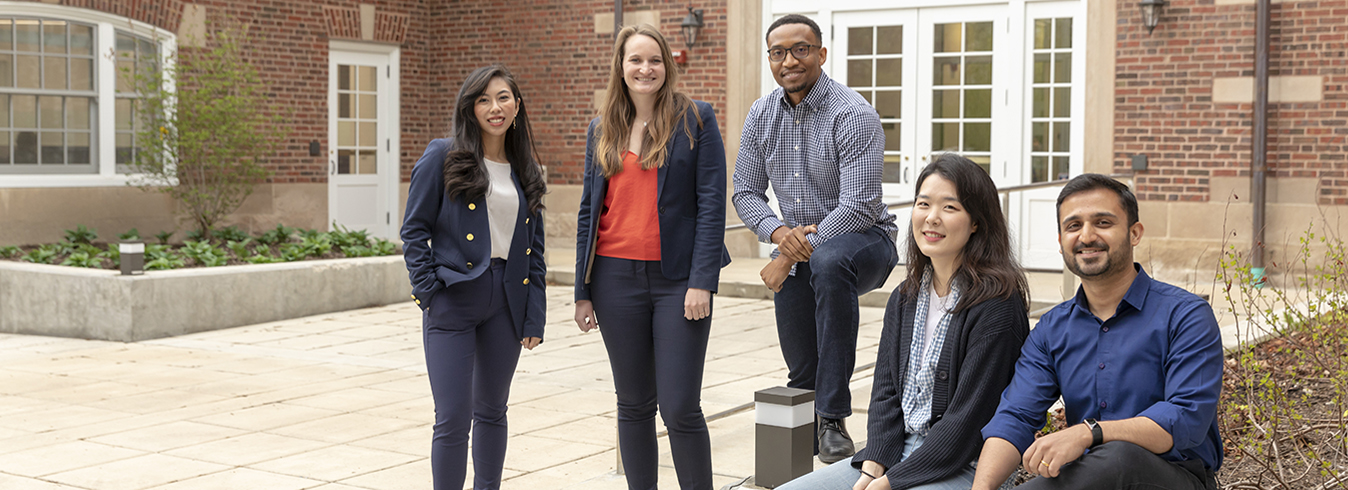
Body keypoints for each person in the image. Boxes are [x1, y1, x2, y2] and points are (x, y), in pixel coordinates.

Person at [778, 154, 1029, 490]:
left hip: (966, 464)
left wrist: (890, 482)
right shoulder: (905, 296)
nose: (932, 218)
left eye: (950, 208)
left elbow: (967, 422)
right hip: (897, 455)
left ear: (976, 223)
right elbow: (885, 393)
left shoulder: (997, 304)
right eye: (923, 204)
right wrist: (872, 467)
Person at [971, 174, 1224, 490]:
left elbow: (1185, 419)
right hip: (1092, 481)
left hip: (1174, 480)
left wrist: (1089, 431)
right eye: (1073, 226)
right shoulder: (1052, 329)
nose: (1086, 236)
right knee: (1107, 460)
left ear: (1134, 233)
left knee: (1119, 457)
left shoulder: (1185, 316)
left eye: (1103, 222)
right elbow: (1015, 418)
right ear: (1061, 238)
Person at [731, 13, 899, 463]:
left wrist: (788, 255)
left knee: (824, 263)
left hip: (864, 241)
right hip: (802, 245)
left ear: (821, 54)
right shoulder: (760, 114)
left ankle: (832, 416)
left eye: (801, 49)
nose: (789, 60)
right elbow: (744, 191)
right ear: (769, 59)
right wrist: (778, 234)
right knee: (799, 325)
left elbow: (860, 204)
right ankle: (804, 405)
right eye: (778, 52)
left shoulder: (852, 113)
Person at [572, 24, 730, 490]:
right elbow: (588, 211)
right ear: (620, 68)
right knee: (634, 404)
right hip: (614, 280)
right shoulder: (601, 128)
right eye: (635, 60)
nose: (646, 69)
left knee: (680, 406)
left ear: (668, 65)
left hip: (678, 280)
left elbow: (711, 203)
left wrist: (702, 279)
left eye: (654, 60)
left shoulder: (696, 119)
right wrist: (582, 292)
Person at [401, 64, 547, 490]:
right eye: (483, 99)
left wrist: (533, 316)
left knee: (492, 410)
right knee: (452, 417)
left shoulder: (525, 170)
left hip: (506, 301)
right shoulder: (443, 155)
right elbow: (414, 229)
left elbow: (533, 252)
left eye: (503, 97)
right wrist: (428, 292)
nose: (494, 107)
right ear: (471, 108)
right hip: (454, 299)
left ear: (517, 106)